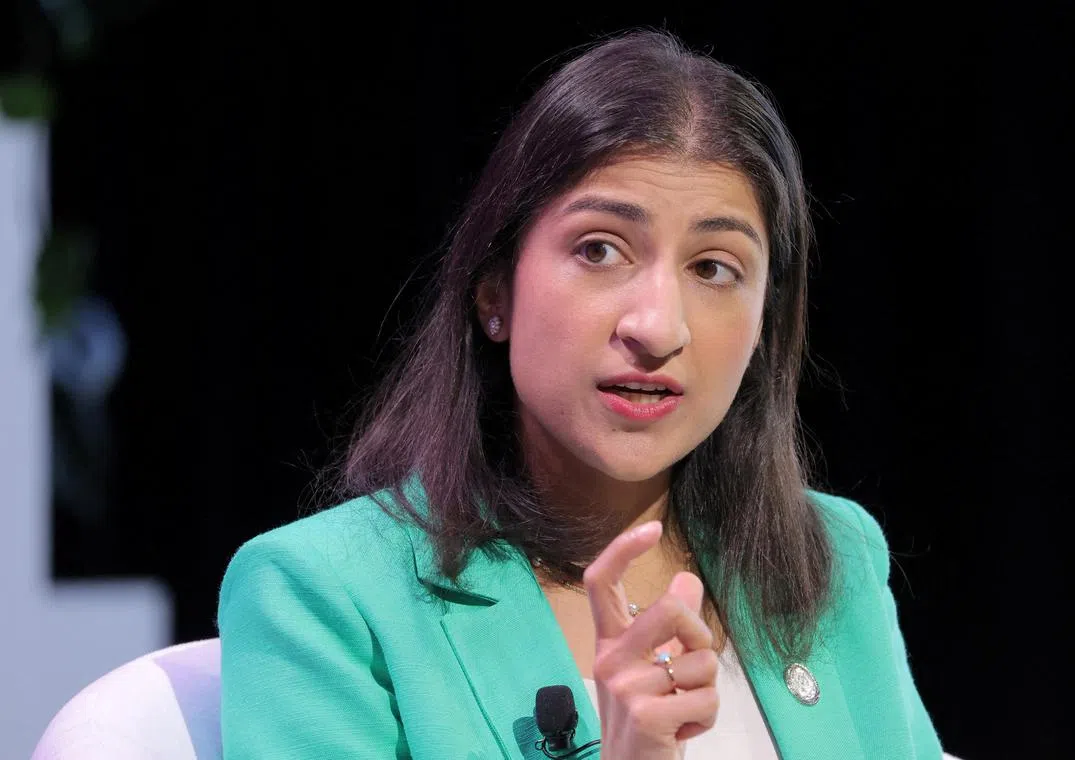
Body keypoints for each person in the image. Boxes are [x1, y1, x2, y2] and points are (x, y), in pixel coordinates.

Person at [217, 29, 944, 759]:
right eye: (600, 249)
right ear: (494, 289)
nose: (658, 327)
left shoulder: (831, 555)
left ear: (766, 323)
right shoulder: (322, 596)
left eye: (715, 268)